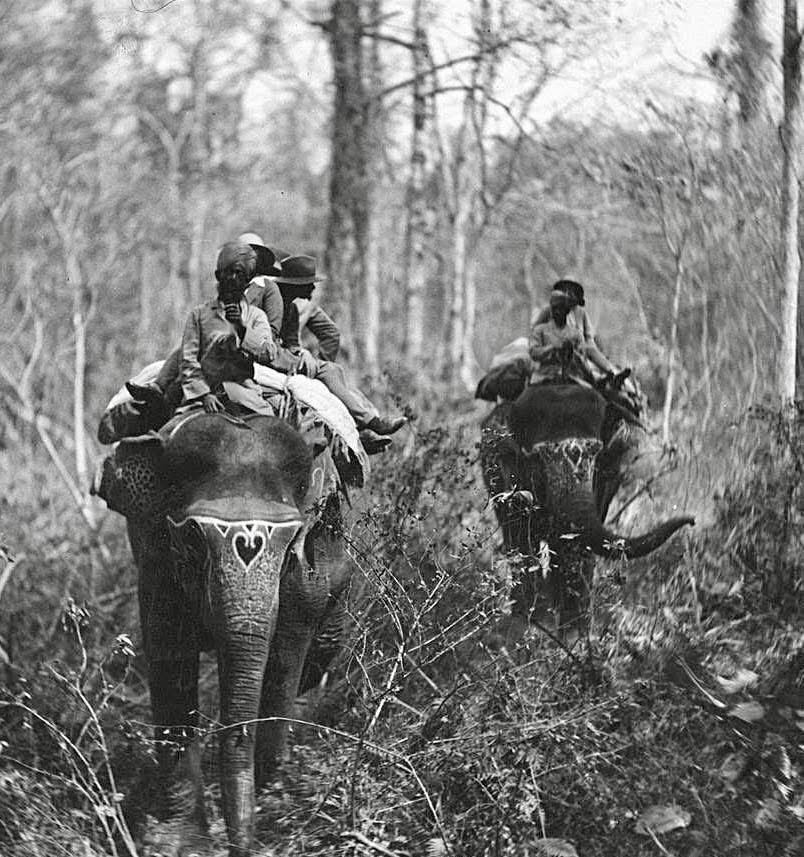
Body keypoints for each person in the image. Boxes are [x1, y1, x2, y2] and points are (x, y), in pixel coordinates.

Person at [269, 254, 406, 437]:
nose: (313, 287)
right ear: (296, 284)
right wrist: (301, 360)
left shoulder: (292, 308)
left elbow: (294, 343)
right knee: (328, 371)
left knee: (332, 370)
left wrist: (302, 355)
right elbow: (266, 343)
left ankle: (365, 423)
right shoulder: (273, 302)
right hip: (270, 361)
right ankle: (370, 422)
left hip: (285, 359)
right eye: (308, 282)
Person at [178, 241, 277, 413]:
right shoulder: (199, 314)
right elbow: (188, 360)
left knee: (275, 434)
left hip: (245, 395)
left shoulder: (256, 316)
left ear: (247, 280)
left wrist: (241, 327)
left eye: (239, 273)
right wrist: (204, 395)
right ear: (218, 276)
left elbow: (268, 354)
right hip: (203, 397)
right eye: (227, 273)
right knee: (169, 433)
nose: (232, 279)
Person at [531, 279, 618, 378]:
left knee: (589, 353)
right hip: (551, 354)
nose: (569, 294)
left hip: (577, 353)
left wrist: (584, 348)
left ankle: (612, 372)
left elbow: (589, 338)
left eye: (572, 292)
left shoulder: (581, 313)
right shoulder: (548, 311)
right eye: (565, 291)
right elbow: (535, 333)